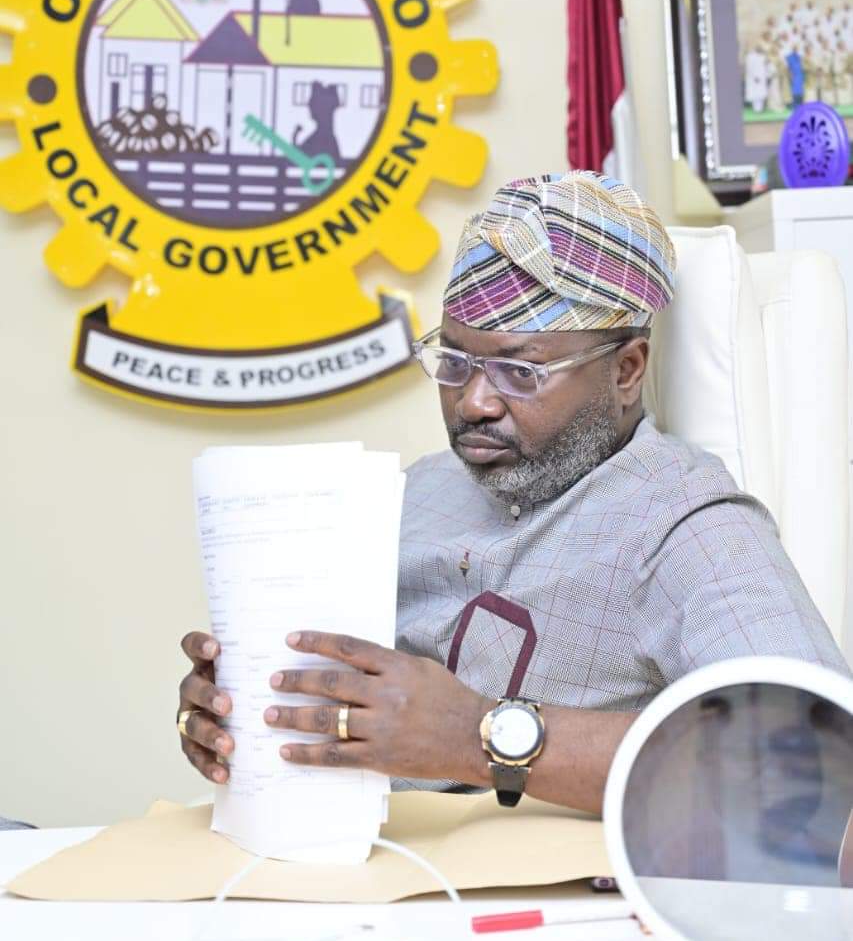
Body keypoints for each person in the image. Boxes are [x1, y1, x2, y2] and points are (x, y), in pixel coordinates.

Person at [177, 173, 847, 815]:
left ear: (625, 370)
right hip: (363, 864)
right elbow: (344, 696)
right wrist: (248, 713)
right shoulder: (418, 491)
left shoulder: (684, 525)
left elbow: (812, 758)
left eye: (520, 371)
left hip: (538, 888)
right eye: (455, 362)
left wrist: (483, 736)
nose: (473, 402)